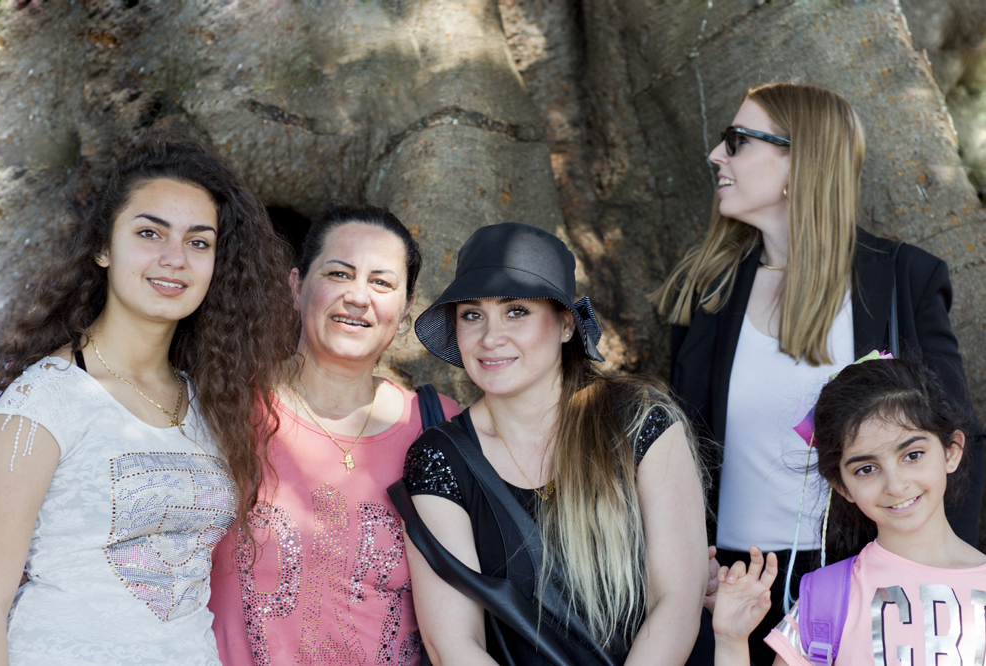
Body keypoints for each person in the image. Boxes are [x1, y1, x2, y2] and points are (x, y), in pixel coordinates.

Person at [651, 82, 984, 663]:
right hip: (730, 587)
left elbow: (957, 436)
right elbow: (679, 450)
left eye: (736, 142)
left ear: (799, 160)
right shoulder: (709, 292)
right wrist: (685, 558)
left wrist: (933, 579)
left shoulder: (902, 280)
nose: (715, 156)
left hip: (866, 576)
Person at [0, 141, 296, 665]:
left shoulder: (207, 401)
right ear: (104, 247)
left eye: (199, 242)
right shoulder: (42, 402)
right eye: (149, 233)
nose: (174, 258)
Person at [397, 222, 707, 665]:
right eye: (472, 314)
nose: (490, 337)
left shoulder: (642, 423)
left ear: (565, 325)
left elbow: (677, 600)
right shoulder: (440, 457)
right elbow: (454, 646)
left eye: (516, 311)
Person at [209, 204, 461, 666]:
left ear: (404, 313)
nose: (359, 297)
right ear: (296, 286)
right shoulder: (225, 407)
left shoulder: (439, 428)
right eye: (339, 274)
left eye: (381, 282)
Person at [712, 358, 985, 665]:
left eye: (913, 455)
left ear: (952, 451)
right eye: (867, 468)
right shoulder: (824, 601)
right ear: (841, 485)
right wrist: (730, 641)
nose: (894, 485)